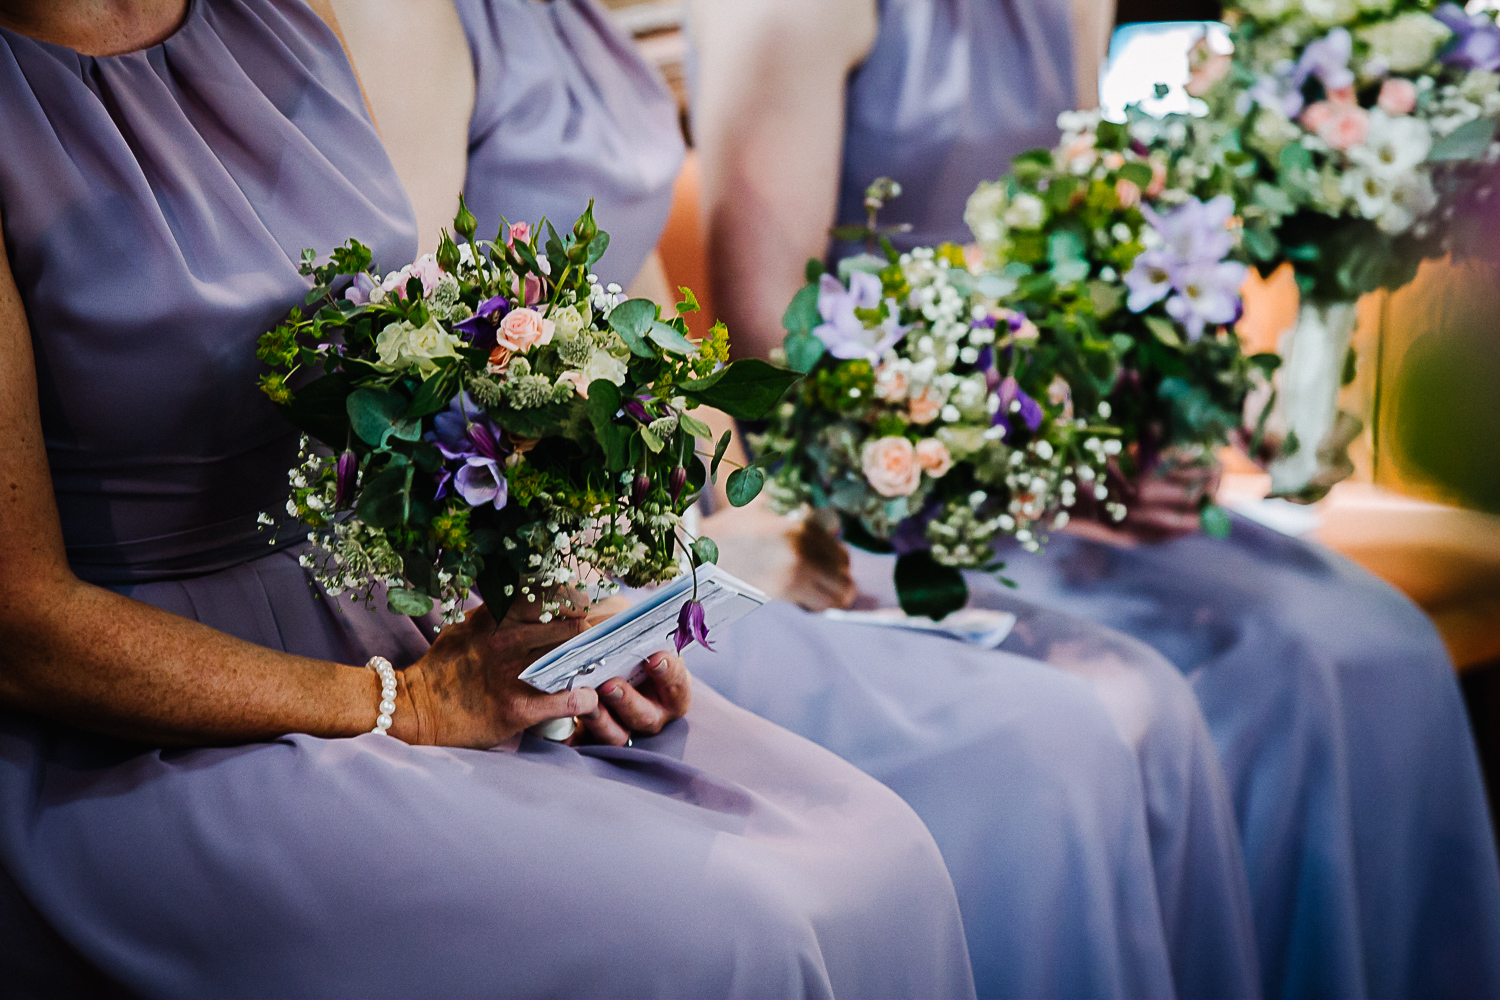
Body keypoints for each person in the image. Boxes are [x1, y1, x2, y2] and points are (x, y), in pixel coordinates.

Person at [0, 1, 980, 995]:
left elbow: (408, 371)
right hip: (147, 717)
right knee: (730, 935)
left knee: (880, 855)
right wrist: (406, 704)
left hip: (392, 614)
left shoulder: (290, 16)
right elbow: (18, 623)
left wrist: (551, 606)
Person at [689, 0, 1500, 996]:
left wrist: (1145, 416)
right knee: (1213, 685)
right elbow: (766, 335)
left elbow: (1078, 241)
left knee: (1378, 643)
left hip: (1047, 462)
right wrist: (1031, 445)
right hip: (876, 480)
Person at [453, 1, 1261, 997]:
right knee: (1066, 739)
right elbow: (767, 350)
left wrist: (1107, 430)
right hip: (582, 533)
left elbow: (649, 316)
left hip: (755, 503)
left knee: (1189, 693)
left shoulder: (589, 25)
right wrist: (712, 533)